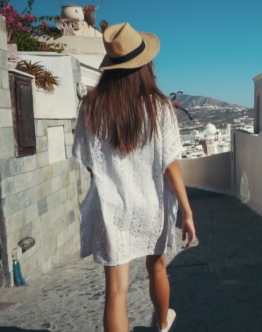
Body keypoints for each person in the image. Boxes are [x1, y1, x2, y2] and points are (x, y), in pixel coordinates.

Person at [72, 22, 197, 332]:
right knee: (157, 268)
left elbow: (90, 162)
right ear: (144, 64)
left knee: (116, 291)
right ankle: (163, 325)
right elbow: (170, 165)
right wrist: (187, 211)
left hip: (111, 208)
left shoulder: (91, 106)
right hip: (151, 205)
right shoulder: (160, 108)